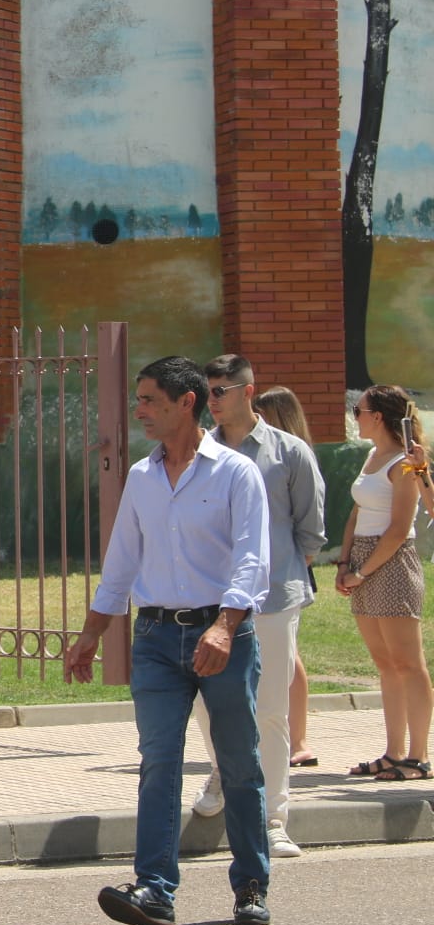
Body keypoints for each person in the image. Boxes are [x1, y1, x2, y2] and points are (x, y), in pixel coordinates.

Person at [65, 355, 272, 925]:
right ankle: (155, 889)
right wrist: (91, 634)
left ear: (188, 402)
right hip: (156, 637)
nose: (140, 411)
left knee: (238, 762)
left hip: (223, 634)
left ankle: (251, 882)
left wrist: (224, 628)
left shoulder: (235, 473)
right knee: (158, 762)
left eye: (151, 400)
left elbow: (252, 559)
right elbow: (122, 561)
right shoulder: (141, 477)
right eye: (140, 400)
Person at [189, 356, 325, 859]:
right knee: (207, 705)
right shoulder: (198, 452)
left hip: (272, 597)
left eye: (222, 390)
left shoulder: (289, 453)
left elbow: (309, 532)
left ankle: (272, 819)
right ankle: (225, 773)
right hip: (208, 598)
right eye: (209, 392)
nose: (213, 400)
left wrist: (275, 571)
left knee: (269, 710)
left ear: (249, 391)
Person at [335, 385, 432, 781]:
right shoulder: (372, 457)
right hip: (363, 560)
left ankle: (419, 756)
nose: (354, 416)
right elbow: (357, 514)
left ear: (377, 416)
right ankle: (393, 753)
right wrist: (345, 562)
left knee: (409, 663)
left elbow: (397, 529)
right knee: (386, 664)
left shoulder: (406, 463)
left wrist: (361, 571)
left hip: (391, 563)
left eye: (358, 411)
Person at [252, 385, 322, 770]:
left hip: (286, 571)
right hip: (276, 570)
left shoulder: (291, 453)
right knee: (287, 657)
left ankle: (298, 740)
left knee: (289, 658)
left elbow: (309, 526)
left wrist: (296, 562)